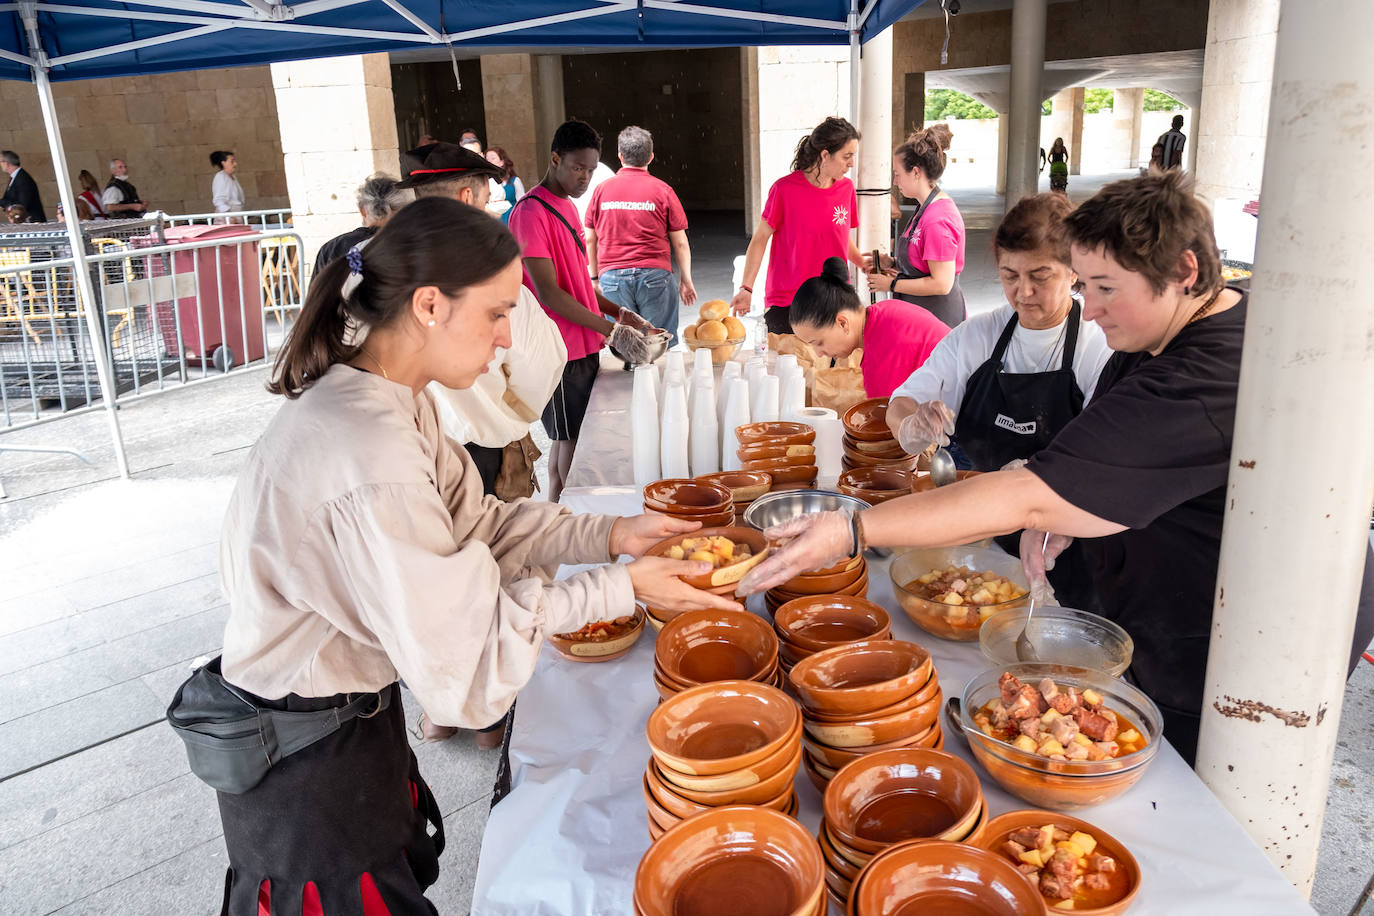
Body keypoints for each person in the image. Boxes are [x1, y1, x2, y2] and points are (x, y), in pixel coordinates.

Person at [205, 197, 739, 915]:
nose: (506, 338)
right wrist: (626, 587)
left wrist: (614, 537)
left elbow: (478, 525)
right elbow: (467, 647)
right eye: (497, 313)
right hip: (305, 764)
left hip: (344, 722)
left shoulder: (392, 397)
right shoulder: (368, 448)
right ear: (430, 305)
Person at [736, 171, 1374, 767]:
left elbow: (1033, 494)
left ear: (1185, 271)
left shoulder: (1204, 375)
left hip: (1241, 633)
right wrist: (1070, 512)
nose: (1087, 309)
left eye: (1104, 288)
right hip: (1168, 593)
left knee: (1199, 780)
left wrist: (852, 529)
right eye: (1085, 286)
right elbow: (1086, 471)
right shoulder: (1157, 332)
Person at [886, 192, 1113, 609]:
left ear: (1074, 271)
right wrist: (912, 421)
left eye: (1040, 276)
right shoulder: (978, 337)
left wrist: (1035, 480)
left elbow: (1104, 457)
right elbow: (902, 402)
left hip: (1062, 542)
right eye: (1010, 276)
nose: (1023, 292)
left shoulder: (1098, 345)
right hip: (977, 543)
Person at [508, 120, 661, 503]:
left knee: (571, 439)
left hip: (582, 345)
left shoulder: (568, 207)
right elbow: (549, 293)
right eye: (578, 168)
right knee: (570, 443)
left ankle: (559, 510)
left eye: (591, 170)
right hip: (559, 349)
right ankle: (565, 516)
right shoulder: (531, 212)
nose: (585, 178)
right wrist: (611, 331)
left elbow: (578, 284)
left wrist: (621, 314)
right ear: (555, 159)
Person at [731, 116, 865, 335]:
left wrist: (862, 262)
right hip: (789, 301)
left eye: (853, 156)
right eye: (846, 156)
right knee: (785, 358)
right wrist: (746, 287)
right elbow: (760, 240)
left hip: (834, 299)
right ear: (825, 155)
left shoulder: (846, 189)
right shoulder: (784, 190)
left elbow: (839, 237)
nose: (851, 163)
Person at [584, 125, 696, 349]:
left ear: (620, 156)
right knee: (658, 344)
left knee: (625, 345)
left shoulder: (601, 190)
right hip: (655, 277)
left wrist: (594, 279)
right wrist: (686, 279)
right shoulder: (663, 190)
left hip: (612, 278)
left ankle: (631, 372)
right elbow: (680, 243)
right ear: (651, 157)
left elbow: (589, 239)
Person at [789, 256, 949, 399]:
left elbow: (886, 416)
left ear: (842, 323)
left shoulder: (881, 353)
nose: (818, 354)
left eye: (819, 342)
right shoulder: (885, 312)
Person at [868, 124, 967, 327]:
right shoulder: (925, 208)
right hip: (921, 315)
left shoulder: (938, 219)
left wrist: (891, 284)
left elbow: (941, 283)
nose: (895, 182)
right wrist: (892, 263)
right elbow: (924, 263)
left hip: (938, 320)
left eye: (897, 174)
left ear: (915, 172)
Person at [313, 174, 409, 276]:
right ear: (402, 209)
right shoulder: (410, 244)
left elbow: (319, 286)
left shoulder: (332, 249)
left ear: (362, 210)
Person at [0, 151, 46, 222]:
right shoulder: (15, 177)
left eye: (0, 162)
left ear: (6, 163)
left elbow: (22, 204)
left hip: (32, 222)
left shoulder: (23, 178)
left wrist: (4, 203)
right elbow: (9, 198)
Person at [486, 146, 525, 223]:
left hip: (512, 220)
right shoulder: (486, 182)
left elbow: (522, 203)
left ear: (502, 162)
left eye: (493, 158)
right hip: (493, 221)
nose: (489, 162)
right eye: (487, 159)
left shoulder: (514, 181)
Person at [210, 150, 245, 215]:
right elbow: (219, 200)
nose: (235, 164)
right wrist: (228, 216)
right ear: (224, 163)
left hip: (236, 214)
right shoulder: (220, 177)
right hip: (228, 215)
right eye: (232, 161)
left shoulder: (233, 177)